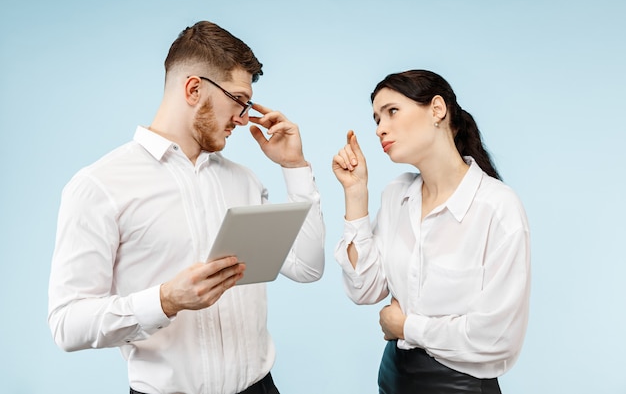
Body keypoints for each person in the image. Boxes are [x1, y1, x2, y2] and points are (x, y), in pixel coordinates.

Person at [48, 20, 325, 394]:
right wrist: (164, 300)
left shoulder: (244, 180)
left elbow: (307, 268)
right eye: (239, 101)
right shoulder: (98, 187)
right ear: (194, 89)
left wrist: (295, 167)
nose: (244, 119)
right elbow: (67, 323)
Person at [332, 69, 530, 393]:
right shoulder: (396, 195)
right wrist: (356, 194)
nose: (381, 128)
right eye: (376, 120)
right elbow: (364, 289)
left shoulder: (497, 207)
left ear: (437, 109)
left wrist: (406, 326)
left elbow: (497, 338)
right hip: (393, 378)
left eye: (392, 112)